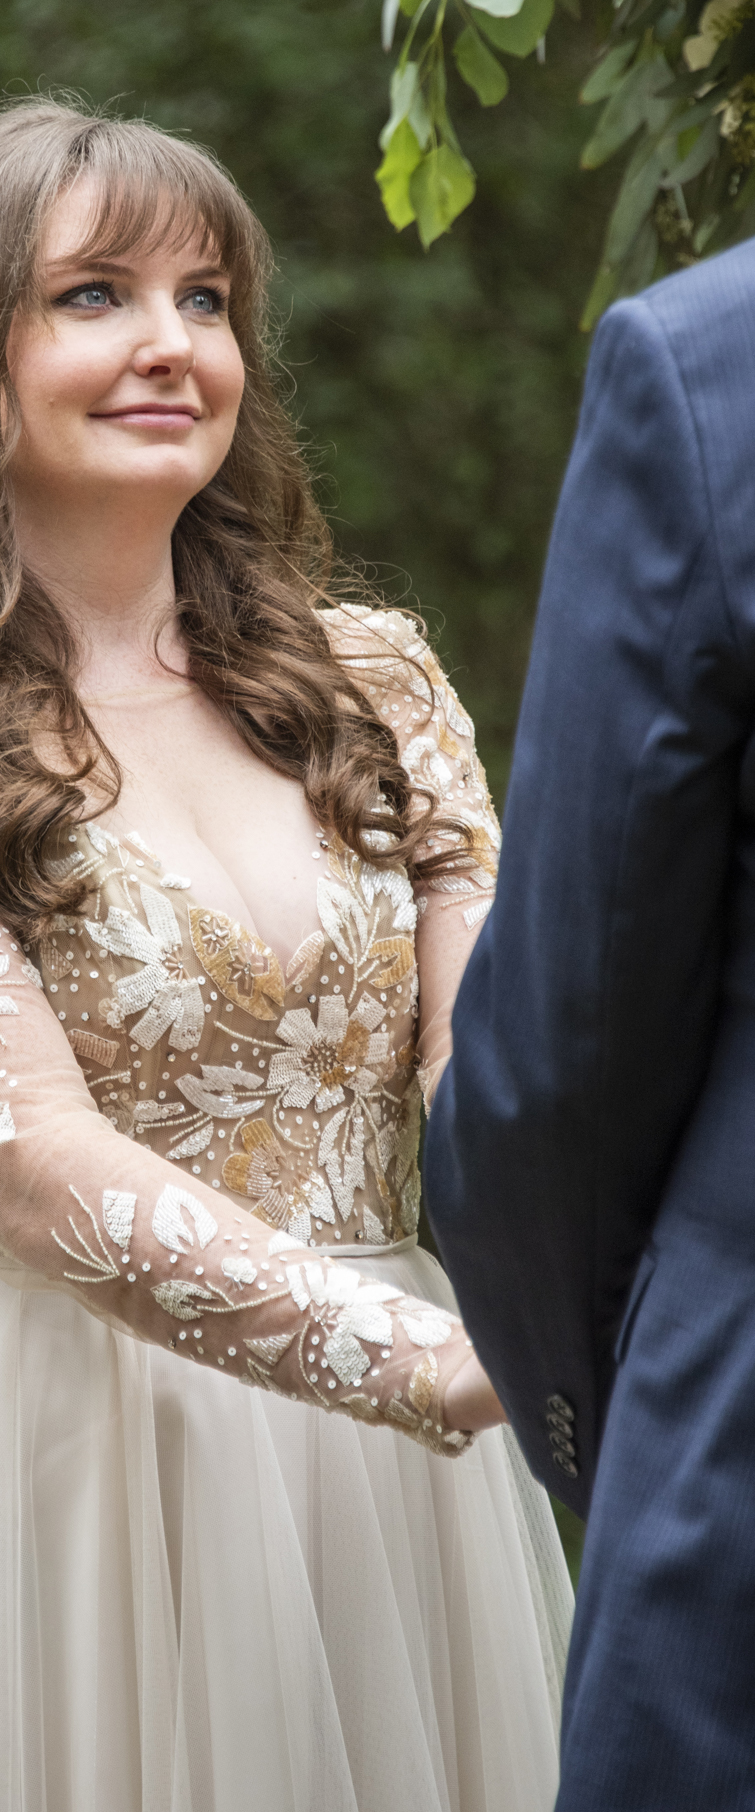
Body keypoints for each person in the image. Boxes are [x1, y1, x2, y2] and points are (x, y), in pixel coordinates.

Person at [0, 97, 571, 1812]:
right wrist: (431, 1366)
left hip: (395, 1491)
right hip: (43, 1458)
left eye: (207, 301)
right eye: (94, 296)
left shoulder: (371, 677)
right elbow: (28, 1166)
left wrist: (601, 1289)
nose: (171, 347)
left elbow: (500, 1062)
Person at [424, 240, 755, 1809]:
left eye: (206, 300)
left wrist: (609, 1408)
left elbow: (563, 1041)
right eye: (94, 296)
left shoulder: (714, 364)